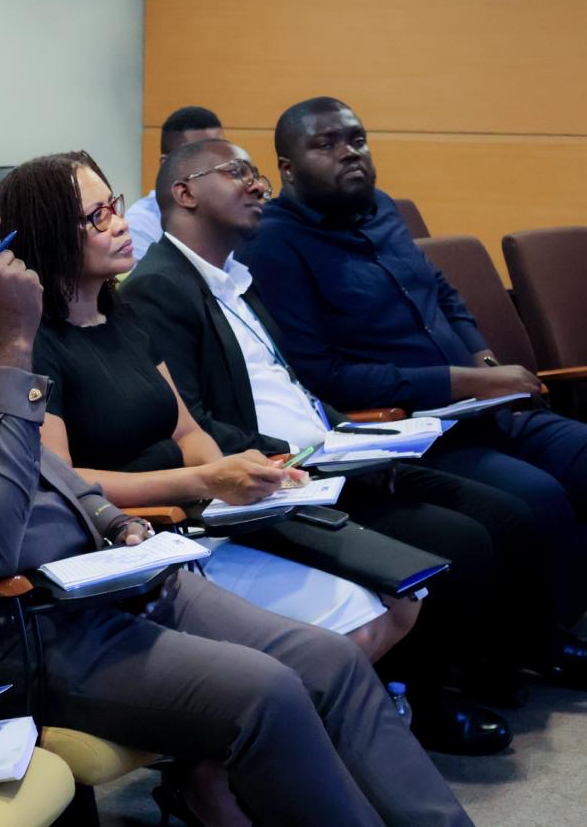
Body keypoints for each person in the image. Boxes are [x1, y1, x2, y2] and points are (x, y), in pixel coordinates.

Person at [0, 127, 472, 826]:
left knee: (331, 661)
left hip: (101, 577)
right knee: (270, 692)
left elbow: (41, 463)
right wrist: (12, 344)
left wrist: (111, 519)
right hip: (8, 627)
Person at [0, 148, 525, 755]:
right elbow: (64, 481)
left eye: (114, 205)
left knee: (404, 597)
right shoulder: (34, 345)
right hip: (141, 540)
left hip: (209, 515)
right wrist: (204, 481)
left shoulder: (122, 315)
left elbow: (188, 432)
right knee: (352, 631)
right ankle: (243, 764)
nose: (120, 223)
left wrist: (230, 475)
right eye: (97, 217)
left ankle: (275, 756)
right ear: (48, 233)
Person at [119, 135, 573, 746]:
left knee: (507, 516)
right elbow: (195, 421)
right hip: (285, 474)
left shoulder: (236, 279)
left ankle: (481, 664)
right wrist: (310, 452)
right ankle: (422, 702)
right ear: (185, 193)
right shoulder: (159, 287)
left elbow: (294, 387)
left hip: (337, 450)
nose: (257, 186)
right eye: (236, 173)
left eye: (257, 175)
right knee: (460, 540)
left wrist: (357, 434)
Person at [243, 96, 587, 643]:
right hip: (417, 429)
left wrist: (485, 360)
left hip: (486, 407)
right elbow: (324, 375)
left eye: (356, 139)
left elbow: (443, 293)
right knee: (537, 495)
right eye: (326, 145)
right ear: (286, 168)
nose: (349, 153)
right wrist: (468, 381)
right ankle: (554, 640)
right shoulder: (273, 243)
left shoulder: (382, 208)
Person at [123, 106, 223, 258]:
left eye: (222, 154)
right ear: (166, 165)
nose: (217, 166)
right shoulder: (139, 225)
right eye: (201, 157)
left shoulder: (227, 214)